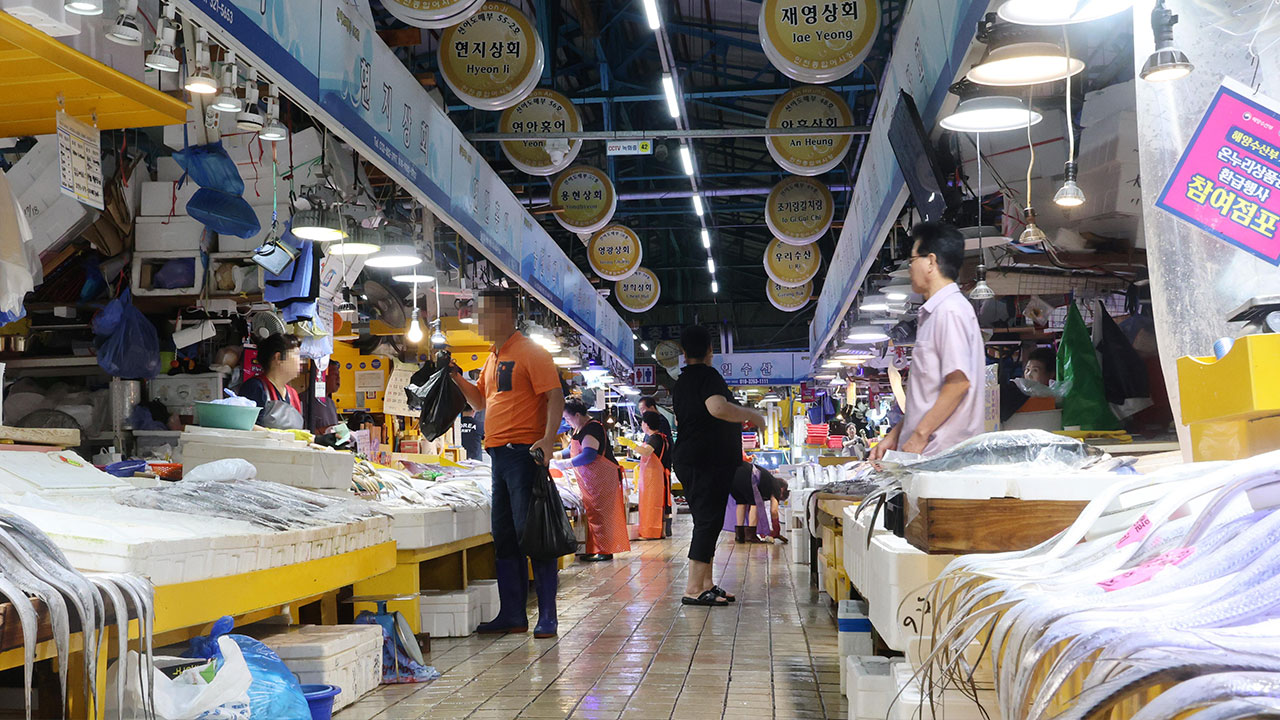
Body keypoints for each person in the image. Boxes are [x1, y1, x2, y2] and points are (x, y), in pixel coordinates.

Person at [452, 287, 566, 639]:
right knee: (504, 537)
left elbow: (555, 396)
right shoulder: (493, 357)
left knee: (533, 535)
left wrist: (547, 441)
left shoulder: (532, 352)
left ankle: (548, 615)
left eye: (483, 314)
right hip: (498, 456)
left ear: (504, 314)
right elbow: (481, 403)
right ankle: (513, 614)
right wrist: (457, 377)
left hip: (524, 454)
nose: (479, 322)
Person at [871, 222, 984, 460]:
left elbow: (958, 383)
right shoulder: (935, 313)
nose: (910, 268)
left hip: (942, 460)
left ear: (931, 262)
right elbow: (927, 396)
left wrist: (920, 435)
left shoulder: (950, 311)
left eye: (912, 260)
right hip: (929, 458)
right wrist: (896, 435)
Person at [672, 325, 767, 607]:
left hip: (699, 460)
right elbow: (717, 408)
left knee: (710, 521)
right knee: (706, 522)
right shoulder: (707, 376)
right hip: (704, 462)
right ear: (710, 351)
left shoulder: (684, 381)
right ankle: (693, 588)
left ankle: (706, 584)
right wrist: (752, 416)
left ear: (683, 351)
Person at [555, 400, 630, 561]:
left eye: (567, 418)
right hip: (591, 480)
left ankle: (605, 551)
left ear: (577, 414)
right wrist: (558, 456)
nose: (566, 422)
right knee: (594, 513)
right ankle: (596, 548)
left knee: (602, 515)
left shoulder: (593, 428)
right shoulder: (579, 428)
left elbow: (589, 454)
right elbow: (574, 449)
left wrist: (566, 464)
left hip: (603, 478)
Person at [238, 333, 305, 430]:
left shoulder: (293, 394)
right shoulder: (255, 388)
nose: (301, 361)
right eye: (297, 355)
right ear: (278, 358)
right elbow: (246, 427)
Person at [631, 411, 672, 540]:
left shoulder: (655, 438)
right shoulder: (661, 437)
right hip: (653, 476)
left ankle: (651, 532)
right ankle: (660, 532)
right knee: (659, 504)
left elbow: (647, 451)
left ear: (646, 424)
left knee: (652, 504)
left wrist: (630, 444)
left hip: (654, 478)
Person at [728, 461, 787, 544]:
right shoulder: (777, 486)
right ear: (782, 489)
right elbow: (774, 511)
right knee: (754, 503)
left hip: (731, 473)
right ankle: (751, 536)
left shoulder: (768, 480)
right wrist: (776, 530)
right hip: (747, 474)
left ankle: (740, 536)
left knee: (741, 502)